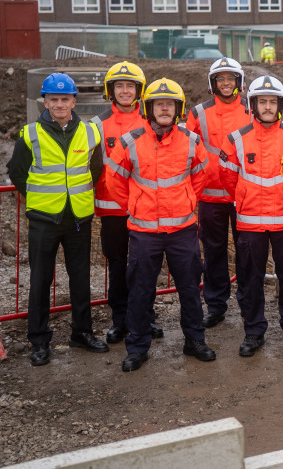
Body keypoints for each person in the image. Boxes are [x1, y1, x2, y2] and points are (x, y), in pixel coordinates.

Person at [108, 78, 216, 371]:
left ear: (178, 109)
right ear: (149, 107)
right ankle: (138, 347)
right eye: (159, 104)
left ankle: (194, 341)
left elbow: (200, 176)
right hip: (144, 233)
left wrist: (186, 203)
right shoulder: (130, 141)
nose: (165, 108)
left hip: (182, 231)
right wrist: (134, 206)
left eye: (170, 104)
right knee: (141, 291)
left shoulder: (191, 141)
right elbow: (115, 181)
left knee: (190, 289)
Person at [7, 73, 108, 366]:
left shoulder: (90, 132)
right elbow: (17, 173)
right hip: (43, 220)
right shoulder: (30, 134)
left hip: (78, 218)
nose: (60, 104)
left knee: (80, 279)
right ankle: (39, 340)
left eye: (65, 99)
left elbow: (96, 168)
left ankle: (82, 332)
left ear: (74, 101)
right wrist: (40, 200)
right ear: (45, 101)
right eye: (54, 99)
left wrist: (75, 196)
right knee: (40, 281)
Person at [218, 76, 283, 357]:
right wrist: (248, 197)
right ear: (253, 104)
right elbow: (227, 177)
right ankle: (254, 331)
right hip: (250, 221)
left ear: (281, 105)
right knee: (250, 278)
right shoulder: (236, 139)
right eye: (263, 102)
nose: (268, 107)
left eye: (273, 102)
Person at [92, 61, 161, 344]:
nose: (124, 91)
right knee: (118, 266)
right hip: (112, 211)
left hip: (143, 208)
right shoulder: (97, 125)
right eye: (119, 86)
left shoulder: (150, 123)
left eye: (129, 86)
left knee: (145, 266)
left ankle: (146, 316)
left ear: (139, 91)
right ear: (111, 90)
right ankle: (120, 319)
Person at [185, 58, 251, 329]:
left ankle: (249, 301)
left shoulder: (251, 109)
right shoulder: (198, 112)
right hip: (210, 196)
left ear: (239, 82)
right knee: (213, 252)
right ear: (213, 83)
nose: (226, 83)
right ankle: (216, 304)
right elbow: (186, 150)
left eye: (231, 78)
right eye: (221, 78)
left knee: (247, 251)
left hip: (244, 194)